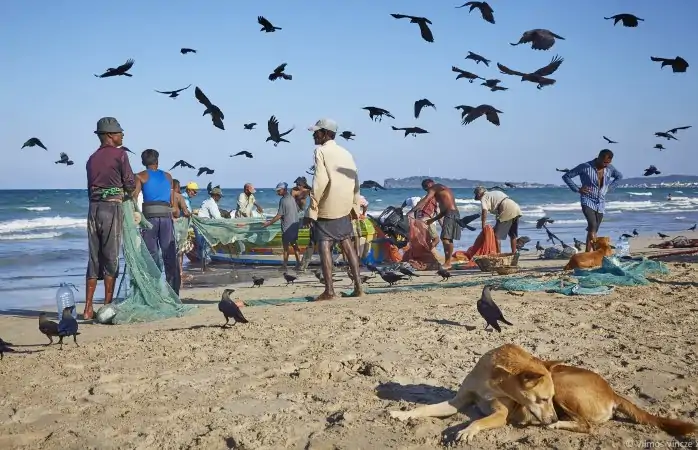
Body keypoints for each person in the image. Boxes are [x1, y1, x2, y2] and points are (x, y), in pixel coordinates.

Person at [84, 117, 136, 320]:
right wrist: (128, 194)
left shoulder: (91, 158)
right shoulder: (120, 155)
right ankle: (106, 306)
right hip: (112, 208)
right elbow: (130, 183)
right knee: (111, 256)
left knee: (94, 257)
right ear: (109, 136)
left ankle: (87, 308)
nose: (122, 135)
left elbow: (90, 187)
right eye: (119, 132)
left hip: (93, 209)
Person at [307, 118, 363, 300]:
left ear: (326, 134)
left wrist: (312, 209)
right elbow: (355, 181)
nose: (314, 134)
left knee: (324, 245)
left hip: (327, 206)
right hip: (345, 206)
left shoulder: (320, 151)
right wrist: (355, 206)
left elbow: (320, 181)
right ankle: (359, 287)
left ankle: (329, 290)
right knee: (347, 244)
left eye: (317, 132)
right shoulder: (346, 153)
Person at [132, 149, 180, 295]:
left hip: (150, 221)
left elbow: (134, 197)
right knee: (169, 255)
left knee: (151, 256)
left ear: (143, 162)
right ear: (157, 161)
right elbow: (174, 204)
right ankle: (174, 293)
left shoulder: (140, 176)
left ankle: (154, 292)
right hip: (166, 219)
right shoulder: (168, 176)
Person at [562, 149, 623, 252]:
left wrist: (609, 188)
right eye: (604, 162)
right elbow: (566, 176)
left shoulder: (609, 168)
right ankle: (594, 252)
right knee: (592, 225)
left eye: (608, 163)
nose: (605, 165)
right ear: (598, 157)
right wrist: (578, 189)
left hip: (601, 201)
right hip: (587, 199)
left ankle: (587, 252)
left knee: (594, 229)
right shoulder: (585, 166)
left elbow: (619, 177)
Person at [408, 179, 460, 269]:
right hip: (452, 213)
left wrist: (412, 211)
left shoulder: (434, 188)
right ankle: (448, 262)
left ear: (428, 185)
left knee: (446, 239)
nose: (427, 192)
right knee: (447, 238)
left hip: (450, 214)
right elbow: (443, 211)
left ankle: (447, 263)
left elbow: (425, 199)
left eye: (426, 190)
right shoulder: (441, 191)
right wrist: (433, 219)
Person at [263, 182, 301, 271]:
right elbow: (297, 210)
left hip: (287, 228)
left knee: (286, 248)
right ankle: (299, 263)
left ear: (283, 190)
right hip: (294, 226)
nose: (277, 193)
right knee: (295, 245)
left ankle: (284, 265)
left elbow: (279, 215)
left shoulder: (283, 200)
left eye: (279, 191)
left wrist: (268, 223)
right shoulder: (292, 199)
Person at [474, 186, 523, 254]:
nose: (479, 199)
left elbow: (484, 211)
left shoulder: (484, 198)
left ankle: (498, 254)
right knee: (512, 235)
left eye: (478, 197)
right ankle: (514, 253)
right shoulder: (495, 192)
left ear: (479, 194)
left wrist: (483, 225)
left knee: (496, 235)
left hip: (506, 209)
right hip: (515, 207)